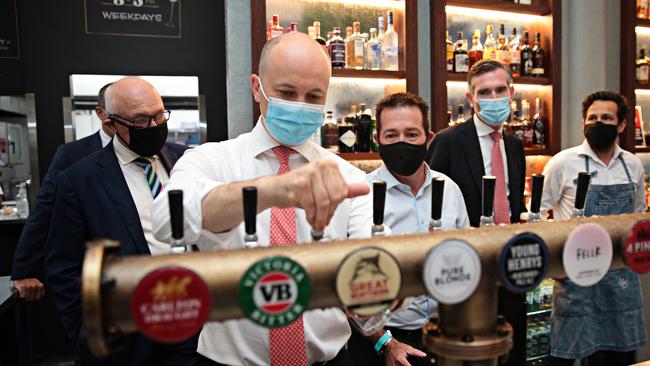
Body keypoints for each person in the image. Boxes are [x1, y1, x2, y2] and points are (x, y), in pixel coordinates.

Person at [152, 32, 372, 366]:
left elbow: (363, 273)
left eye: (313, 96)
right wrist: (272, 190)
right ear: (257, 87)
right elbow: (168, 222)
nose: (299, 104)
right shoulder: (212, 160)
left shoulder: (350, 179)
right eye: (286, 92)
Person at [45, 77, 197, 365]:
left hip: (192, 324)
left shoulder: (185, 160)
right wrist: (85, 330)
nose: (154, 127)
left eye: (159, 115)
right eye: (140, 121)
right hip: (127, 336)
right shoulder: (80, 180)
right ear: (110, 124)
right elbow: (63, 266)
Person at [348, 92, 469, 366]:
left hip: (444, 334)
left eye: (411, 134)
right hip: (383, 340)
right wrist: (385, 342)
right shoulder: (360, 195)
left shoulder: (449, 189)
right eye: (391, 135)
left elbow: (466, 260)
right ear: (377, 140)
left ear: (429, 138)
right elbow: (348, 286)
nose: (401, 142)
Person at [540, 90, 646, 366]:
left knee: (616, 358)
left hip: (619, 282)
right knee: (562, 358)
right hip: (576, 279)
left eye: (606, 118)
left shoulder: (633, 166)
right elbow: (536, 215)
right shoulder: (563, 163)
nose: (598, 123)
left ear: (622, 124)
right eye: (592, 117)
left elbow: (636, 219)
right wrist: (554, 265)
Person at [11, 82, 114, 301]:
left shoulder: (162, 155)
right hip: (95, 275)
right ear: (102, 113)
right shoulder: (73, 155)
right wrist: (24, 271)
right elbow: (44, 211)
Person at [427, 59, 526, 227]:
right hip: (466, 244)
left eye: (501, 90)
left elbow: (515, 204)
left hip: (511, 242)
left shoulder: (515, 144)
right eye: (485, 92)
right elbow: (432, 202)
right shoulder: (447, 141)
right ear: (471, 99)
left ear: (511, 93)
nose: (494, 98)